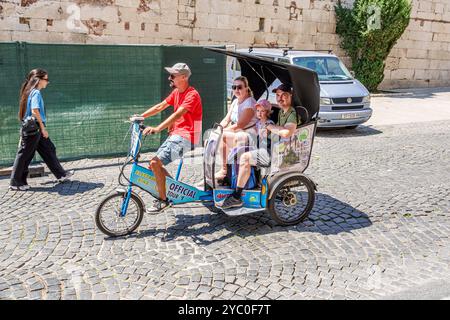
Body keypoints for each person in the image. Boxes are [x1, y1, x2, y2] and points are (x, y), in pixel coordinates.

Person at [220, 84, 298, 209]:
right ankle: (231, 179)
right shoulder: (282, 111)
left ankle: (236, 196)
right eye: (278, 95)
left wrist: (269, 126)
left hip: (275, 153)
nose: (280, 98)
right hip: (268, 148)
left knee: (245, 157)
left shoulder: (292, 113)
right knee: (238, 150)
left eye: (284, 95)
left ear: (291, 96)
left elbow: (287, 132)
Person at [140, 62, 202, 212]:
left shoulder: (192, 95)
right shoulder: (176, 93)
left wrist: (157, 128)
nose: (170, 77)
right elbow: (160, 106)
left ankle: (163, 200)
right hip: (176, 134)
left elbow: (177, 114)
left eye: (173, 75)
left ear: (183, 77)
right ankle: (175, 191)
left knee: (155, 163)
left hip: (187, 136)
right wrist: (140, 116)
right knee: (154, 165)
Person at [9, 69, 74, 191]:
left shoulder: (29, 92)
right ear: (38, 80)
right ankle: (16, 182)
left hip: (32, 128)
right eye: (46, 79)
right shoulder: (36, 93)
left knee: (49, 149)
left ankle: (61, 174)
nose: (48, 82)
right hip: (35, 128)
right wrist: (43, 128)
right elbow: (35, 111)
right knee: (24, 155)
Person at [216, 76, 257, 181]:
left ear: (246, 88)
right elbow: (226, 119)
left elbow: (240, 125)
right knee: (215, 136)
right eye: (234, 87)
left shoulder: (250, 103)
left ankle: (225, 170)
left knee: (222, 136)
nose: (236, 90)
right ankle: (227, 170)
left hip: (248, 134)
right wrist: (217, 129)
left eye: (239, 87)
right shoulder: (235, 101)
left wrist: (222, 132)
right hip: (237, 132)